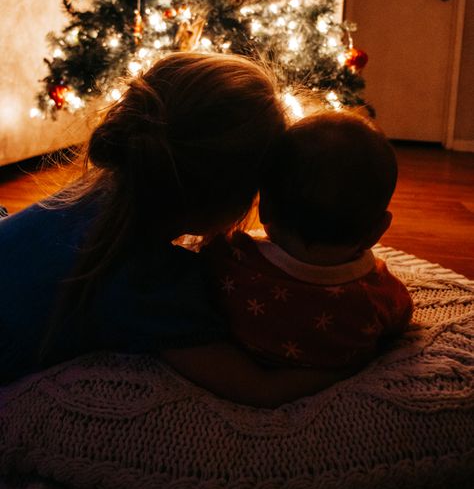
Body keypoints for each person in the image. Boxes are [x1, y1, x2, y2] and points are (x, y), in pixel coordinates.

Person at [0, 51, 349, 406]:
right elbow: (258, 388)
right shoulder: (153, 282)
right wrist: (353, 363)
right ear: (230, 198)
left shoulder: (98, 189)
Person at [203, 109, 413, 370]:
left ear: (264, 207)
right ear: (377, 231)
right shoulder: (379, 295)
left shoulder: (230, 261)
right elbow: (401, 321)